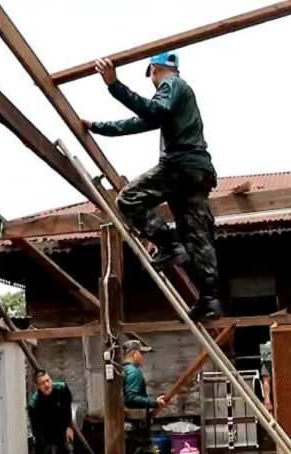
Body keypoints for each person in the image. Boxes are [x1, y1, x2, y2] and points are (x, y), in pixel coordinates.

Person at [84, 52, 222, 322]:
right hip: (198, 171)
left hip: (180, 165)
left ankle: (168, 244)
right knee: (196, 236)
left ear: (154, 70)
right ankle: (210, 299)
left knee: (128, 199)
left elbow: (152, 111)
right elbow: (140, 121)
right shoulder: (178, 99)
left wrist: (114, 85)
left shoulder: (172, 85)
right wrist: (98, 127)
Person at [122, 339, 167, 454]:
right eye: (141, 353)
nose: (143, 357)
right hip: (137, 431)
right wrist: (153, 402)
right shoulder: (133, 372)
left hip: (127, 429)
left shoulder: (122, 371)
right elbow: (131, 398)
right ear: (134, 353)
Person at [27, 370, 80, 454]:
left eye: (48, 380)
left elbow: (67, 407)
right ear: (38, 386)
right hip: (45, 432)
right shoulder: (34, 404)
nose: (46, 384)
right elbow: (37, 431)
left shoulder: (62, 388)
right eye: (42, 383)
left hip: (61, 427)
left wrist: (69, 426)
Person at [258, 341, 274, 412]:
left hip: (267, 349)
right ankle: (267, 401)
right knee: (266, 378)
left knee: (266, 379)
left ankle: (267, 401)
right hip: (267, 349)